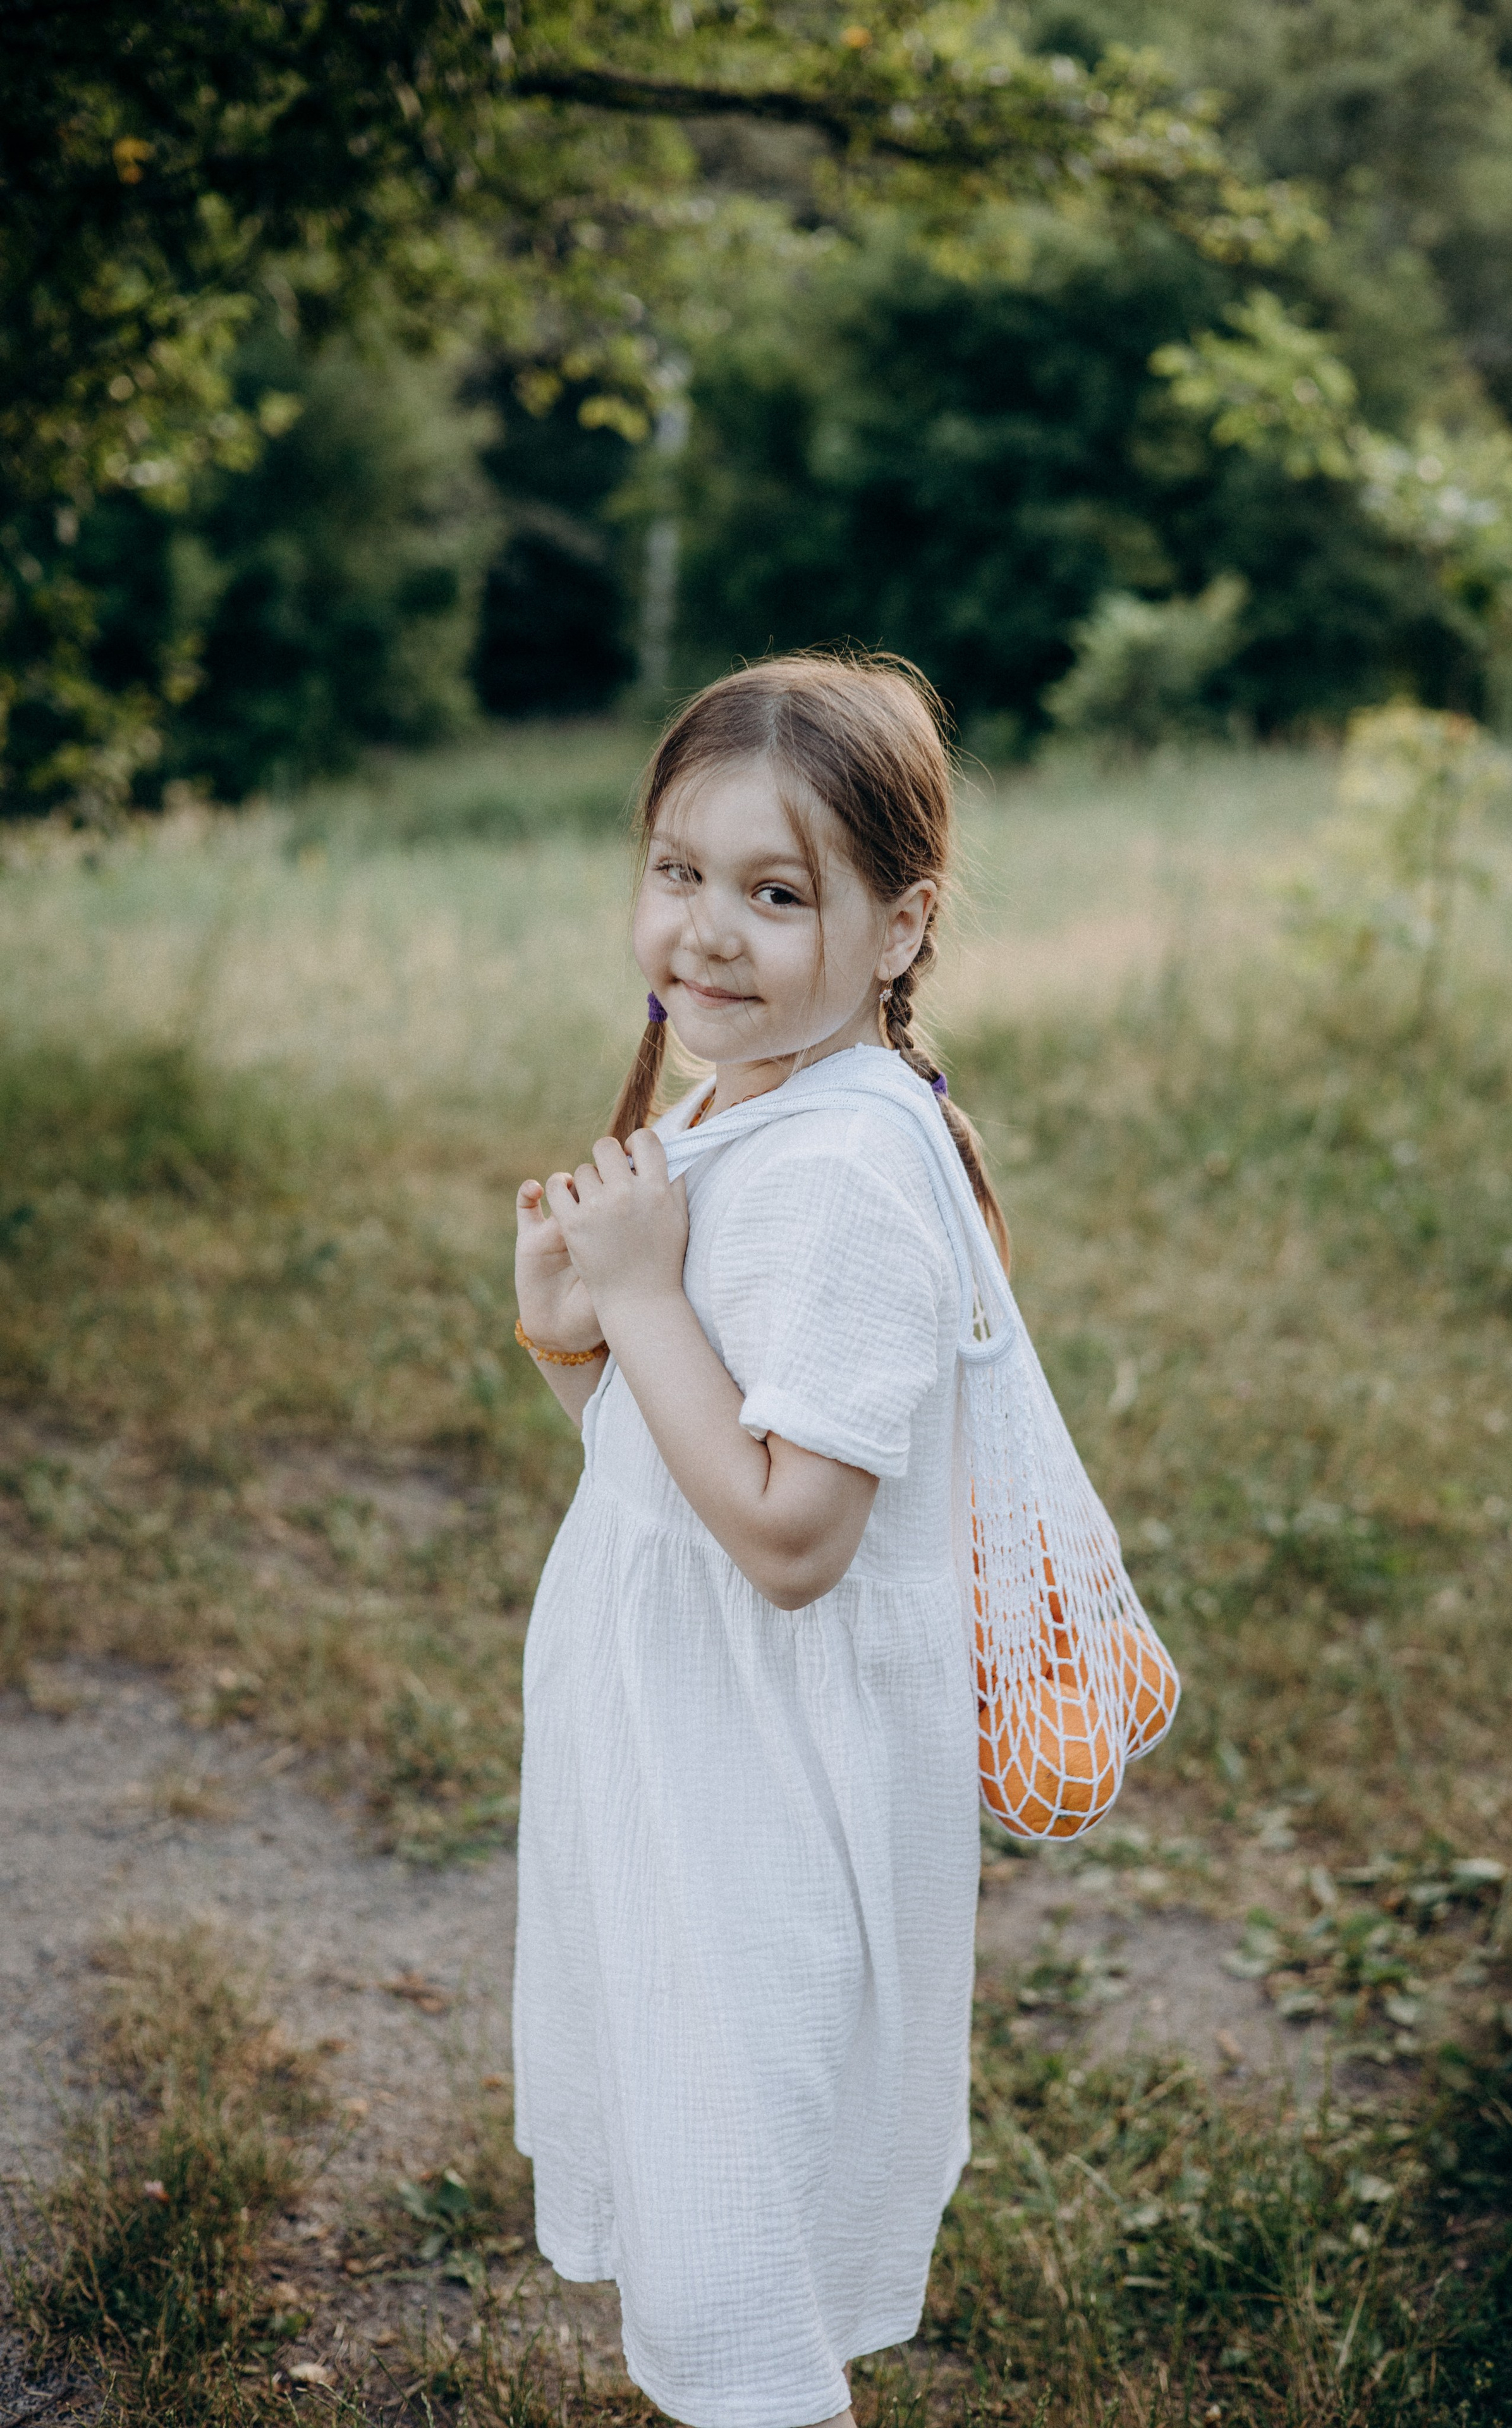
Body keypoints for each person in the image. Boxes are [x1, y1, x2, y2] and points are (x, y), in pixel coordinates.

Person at [509, 653, 1009, 2428]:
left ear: (897, 926)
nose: (706, 934)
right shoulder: (745, 1101)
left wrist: (641, 1294)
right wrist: (580, 1335)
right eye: (677, 872)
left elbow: (791, 1538)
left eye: (776, 892)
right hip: (684, 1741)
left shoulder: (850, 1171)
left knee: (741, 2247)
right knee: (694, 2148)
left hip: (763, 1782)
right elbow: (683, 1457)